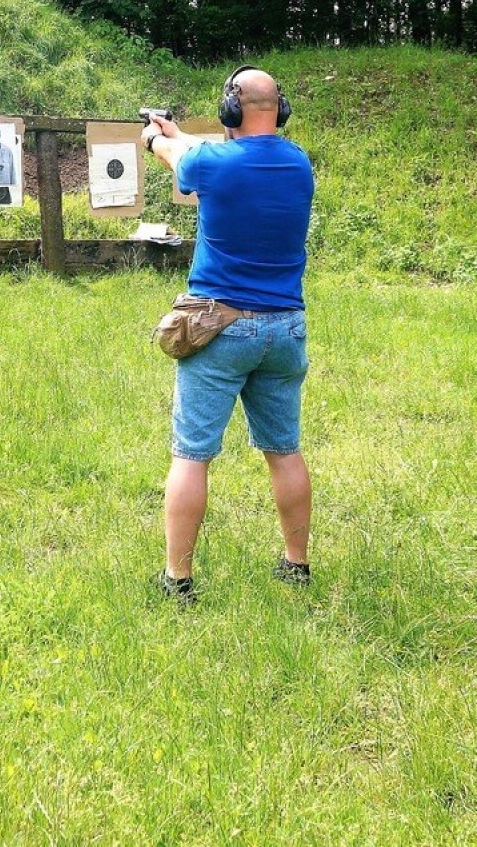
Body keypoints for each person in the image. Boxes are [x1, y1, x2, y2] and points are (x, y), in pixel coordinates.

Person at [142, 67, 315, 603]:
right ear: (278, 110)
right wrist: (182, 135)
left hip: (220, 327)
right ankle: (297, 565)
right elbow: (214, 153)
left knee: (192, 455)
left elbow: (181, 160)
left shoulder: (211, 164)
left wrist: (153, 137)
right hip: (285, 328)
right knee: (284, 450)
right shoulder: (299, 162)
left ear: (230, 111)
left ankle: (178, 579)